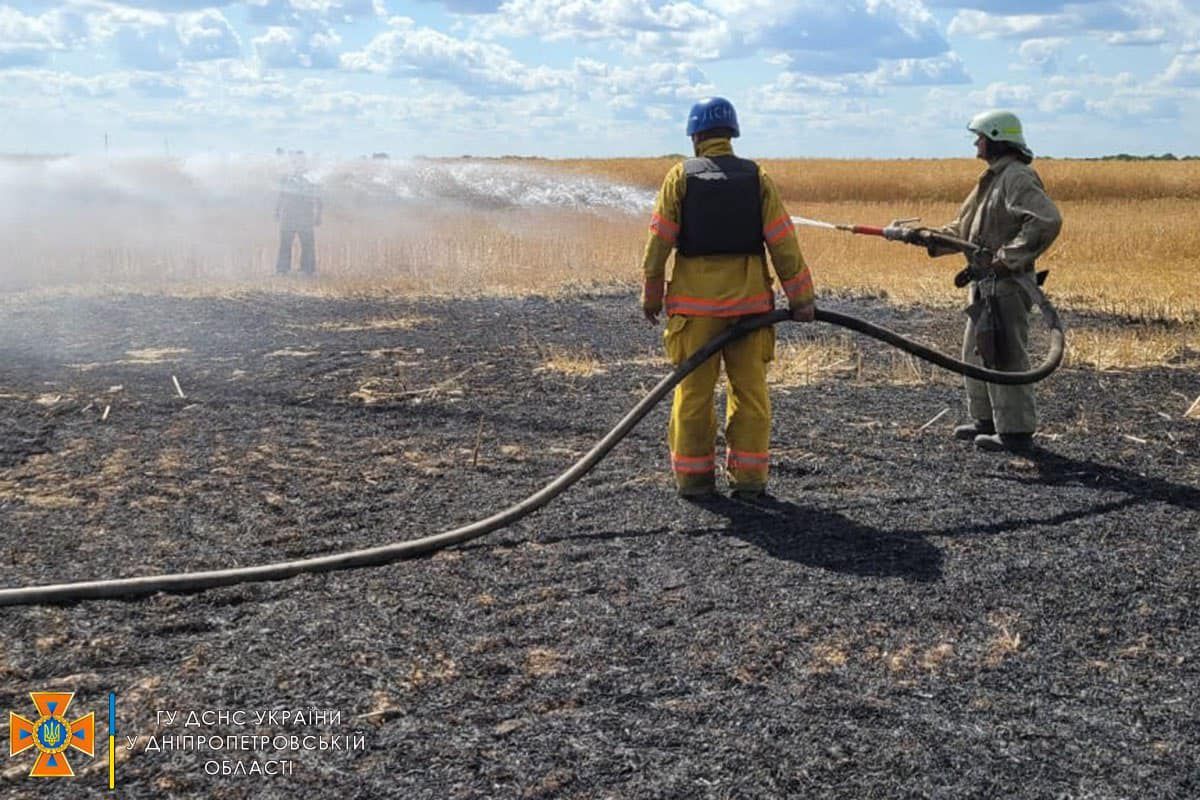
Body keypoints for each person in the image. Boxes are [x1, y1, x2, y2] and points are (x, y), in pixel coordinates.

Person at [640, 97, 816, 500]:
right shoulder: (757, 177)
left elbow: (658, 244)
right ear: (732, 133)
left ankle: (694, 482)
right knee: (750, 394)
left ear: (695, 135)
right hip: (751, 312)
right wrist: (801, 299)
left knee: (693, 395)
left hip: (694, 314)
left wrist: (651, 295)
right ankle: (750, 482)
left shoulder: (679, 177)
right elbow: (783, 242)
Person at [891, 110, 1061, 453]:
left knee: (1006, 355)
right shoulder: (991, 179)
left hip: (1007, 285)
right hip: (984, 285)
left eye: (980, 136)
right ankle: (985, 421)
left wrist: (1008, 258)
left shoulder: (1017, 177)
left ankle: (1015, 432)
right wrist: (923, 236)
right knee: (977, 351)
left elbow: (1047, 220)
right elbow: (963, 230)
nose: (976, 142)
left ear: (996, 138)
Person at [275, 152, 322, 276]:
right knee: (285, 243)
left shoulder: (312, 178)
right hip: (288, 216)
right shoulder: (285, 178)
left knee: (307, 244)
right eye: (295, 161)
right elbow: (281, 195)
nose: (297, 164)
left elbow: (318, 197)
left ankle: (308, 270)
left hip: (305, 216)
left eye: (300, 161)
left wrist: (318, 215)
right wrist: (277, 211)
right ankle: (282, 270)